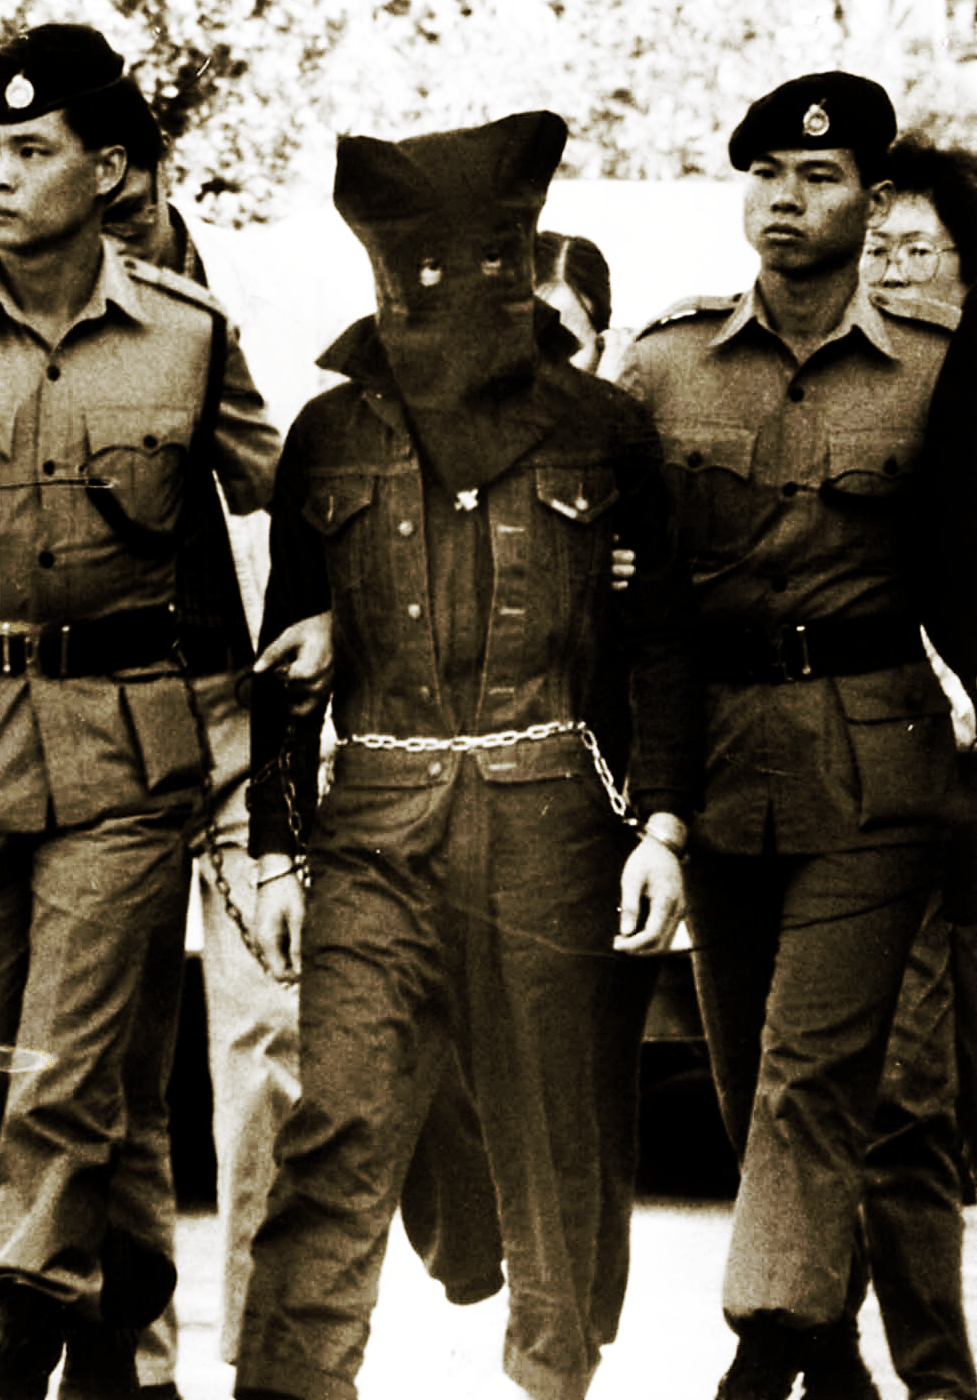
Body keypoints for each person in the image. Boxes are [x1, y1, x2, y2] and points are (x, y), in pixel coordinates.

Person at [235, 109, 702, 1400]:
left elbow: (659, 646)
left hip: (550, 822)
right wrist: (274, 852)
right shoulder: (330, 436)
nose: (450, 294)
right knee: (336, 1126)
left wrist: (662, 829)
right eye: (421, 266)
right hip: (372, 827)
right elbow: (286, 657)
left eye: (485, 263)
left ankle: (550, 1380)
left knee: (552, 1145)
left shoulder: (601, 430)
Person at [617, 72, 970, 1400]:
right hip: (715, 763)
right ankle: (830, 1359)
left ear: (870, 205)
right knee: (744, 1085)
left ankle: (760, 1358)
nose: (783, 198)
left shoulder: (938, 367)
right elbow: (629, 596)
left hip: (875, 764)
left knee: (807, 1078)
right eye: (764, 173)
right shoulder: (662, 364)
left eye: (817, 177)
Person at [0, 23, 279, 1400]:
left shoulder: (187, 333)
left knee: (60, 1066)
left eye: (25, 150)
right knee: (63, 1076)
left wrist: (330, 611)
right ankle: (120, 1333)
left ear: (106, 170)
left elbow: (300, 492)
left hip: (126, 746)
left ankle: (18, 1330)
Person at [852, 132, 977, 1400]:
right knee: (896, 1093)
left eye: (913, 250)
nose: (888, 272)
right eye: (876, 249)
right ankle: (918, 1369)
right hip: (882, 786)